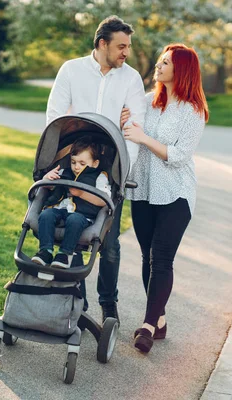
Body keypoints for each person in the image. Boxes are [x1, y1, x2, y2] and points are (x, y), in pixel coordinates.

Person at [45, 15, 146, 321]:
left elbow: (134, 127)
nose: (125, 52)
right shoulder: (72, 70)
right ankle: (78, 298)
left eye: (127, 46)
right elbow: (53, 116)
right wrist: (51, 164)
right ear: (103, 44)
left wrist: (122, 175)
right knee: (72, 232)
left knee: (109, 244)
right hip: (75, 161)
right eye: (121, 46)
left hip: (110, 168)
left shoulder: (131, 78)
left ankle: (108, 303)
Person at [121, 43, 209, 353]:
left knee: (162, 258)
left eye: (166, 62)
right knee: (148, 256)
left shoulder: (193, 111)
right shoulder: (147, 102)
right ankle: (158, 320)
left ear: (181, 70)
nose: (159, 65)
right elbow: (128, 131)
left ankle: (146, 326)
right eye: (161, 60)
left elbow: (179, 156)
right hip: (143, 190)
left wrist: (144, 137)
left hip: (176, 194)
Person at [32, 137, 111, 269]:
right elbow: (50, 187)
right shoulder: (65, 172)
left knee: (74, 219)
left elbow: (104, 200)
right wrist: (47, 178)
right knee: (46, 215)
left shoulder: (100, 177)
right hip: (62, 210)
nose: (76, 167)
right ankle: (45, 251)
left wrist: (81, 194)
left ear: (95, 163)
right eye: (73, 162)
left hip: (83, 215)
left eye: (82, 163)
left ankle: (64, 254)